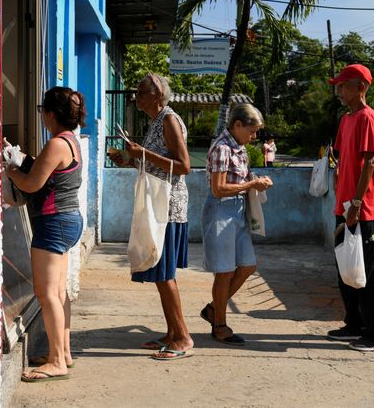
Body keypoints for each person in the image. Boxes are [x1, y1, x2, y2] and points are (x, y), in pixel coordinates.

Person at [108, 73, 194, 360]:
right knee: (160, 272)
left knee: (164, 273)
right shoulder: (157, 122)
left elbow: (183, 166)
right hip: (159, 202)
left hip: (167, 207)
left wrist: (142, 152)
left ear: (157, 95)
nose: (136, 97)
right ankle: (172, 332)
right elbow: (157, 167)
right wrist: (132, 160)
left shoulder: (169, 119)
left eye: (141, 92)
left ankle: (182, 337)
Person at [6, 86, 86, 382]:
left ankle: (55, 361)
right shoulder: (71, 141)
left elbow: (31, 185)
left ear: (50, 114)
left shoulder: (56, 145)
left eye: (43, 112)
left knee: (46, 293)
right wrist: (22, 159)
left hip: (53, 223)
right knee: (59, 292)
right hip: (67, 221)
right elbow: (45, 171)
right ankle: (63, 352)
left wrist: (9, 169)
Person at [326, 64, 374, 352]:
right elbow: (340, 158)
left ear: (360, 87)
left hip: (362, 209)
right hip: (344, 205)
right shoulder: (346, 119)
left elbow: (371, 162)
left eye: (344, 86)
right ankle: (353, 324)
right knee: (346, 265)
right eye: (338, 86)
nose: (339, 91)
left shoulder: (368, 118)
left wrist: (356, 201)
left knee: (370, 271)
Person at [200, 104, 273, 346]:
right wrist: (251, 185)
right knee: (225, 271)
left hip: (237, 210)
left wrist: (255, 182)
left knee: (247, 266)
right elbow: (218, 188)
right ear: (237, 125)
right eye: (251, 131)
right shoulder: (222, 148)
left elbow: (237, 180)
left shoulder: (238, 148)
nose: (254, 137)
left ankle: (214, 309)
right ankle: (219, 325)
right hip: (222, 211)